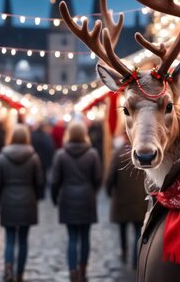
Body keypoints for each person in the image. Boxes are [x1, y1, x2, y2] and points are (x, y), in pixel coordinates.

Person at [0, 124, 44, 282]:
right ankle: (20, 273)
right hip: (27, 200)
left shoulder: (2, 157)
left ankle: (8, 269)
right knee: (23, 240)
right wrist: (36, 198)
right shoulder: (34, 157)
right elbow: (40, 182)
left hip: (7, 200)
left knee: (9, 239)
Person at [51, 121, 102, 282]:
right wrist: (92, 191)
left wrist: (55, 198)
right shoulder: (93, 154)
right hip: (87, 198)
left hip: (67, 198)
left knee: (72, 238)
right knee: (85, 237)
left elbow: (54, 181)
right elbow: (98, 178)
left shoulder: (60, 154)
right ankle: (83, 270)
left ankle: (73, 272)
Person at [106, 135, 148, 269]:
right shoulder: (143, 152)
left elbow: (110, 176)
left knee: (122, 228)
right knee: (137, 230)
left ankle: (124, 251)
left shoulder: (118, 153)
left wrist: (109, 191)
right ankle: (136, 259)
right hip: (139, 198)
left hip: (121, 198)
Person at [31, 121, 55, 187]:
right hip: (43, 161)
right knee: (43, 178)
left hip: (33, 160)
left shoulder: (32, 135)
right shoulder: (46, 136)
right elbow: (50, 148)